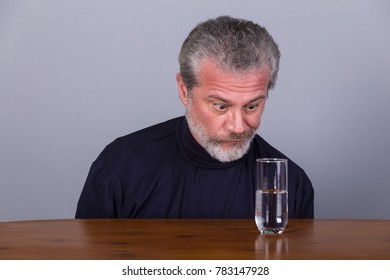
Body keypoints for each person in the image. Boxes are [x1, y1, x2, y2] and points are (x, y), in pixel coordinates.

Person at [76, 16, 314, 219]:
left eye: (252, 106)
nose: (238, 126)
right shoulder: (119, 167)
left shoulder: (291, 183)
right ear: (184, 91)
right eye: (221, 106)